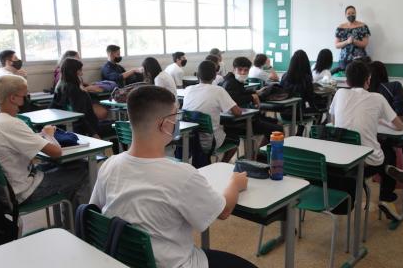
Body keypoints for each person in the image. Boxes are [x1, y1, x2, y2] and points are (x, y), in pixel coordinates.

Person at [89, 85, 256, 268]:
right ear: (164, 124)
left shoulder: (109, 165)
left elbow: (95, 211)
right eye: (175, 117)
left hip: (124, 261)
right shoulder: (182, 175)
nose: (177, 122)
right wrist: (234, 183)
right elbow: (223, 211)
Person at [0, 75, 88, 226]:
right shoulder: (12, 123)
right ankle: (81, 223)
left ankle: (69, 219)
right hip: (25, 191)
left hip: (6, 191)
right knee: (83, 168)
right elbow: (56, 152)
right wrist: (49, 135)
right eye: (25, 96)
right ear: (13, 98)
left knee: (69, 166)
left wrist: (39, 138)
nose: (26, 100)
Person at [330, 61, 403, 221]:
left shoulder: (339, 94)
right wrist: (381, 121)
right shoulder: (377, 98)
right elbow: (400, 126)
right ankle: (386, 197)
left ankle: (387, 170)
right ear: (368, 80)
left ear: (346, 81)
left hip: (342, 157)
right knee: (386, 152)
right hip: (366, 160)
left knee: (378, 153)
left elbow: (333, 123)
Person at [183, 61, 242, 164]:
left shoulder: (188, 89)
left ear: (197, 75)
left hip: (190, 139)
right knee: (235, 139)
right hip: (210, 141)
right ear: (215, 76)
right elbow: (237, 112)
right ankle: (222, 164)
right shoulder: (218, 90)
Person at [221, 57, 283, 150]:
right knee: (278, 130)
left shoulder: (233, 80)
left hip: (244, 119)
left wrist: (255, 93)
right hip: (240, 123)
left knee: (275, 123)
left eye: (246, 70)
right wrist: (251, 97)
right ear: (234, 69)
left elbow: (240, 93)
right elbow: (234, 99)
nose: (243, 72)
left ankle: (261, 152)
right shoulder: (231, 83)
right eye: (240, 69)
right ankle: (265, 154)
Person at [50, 58, 109, 137]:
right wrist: (93, 133)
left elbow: (52, 108)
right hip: (87, 128)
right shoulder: (75, 90)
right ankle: (121, 149)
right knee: (116, 126)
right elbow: (81, 115)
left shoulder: (60, 86)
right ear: (75, 72)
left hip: (70, 127)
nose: (82, 74)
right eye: (80, 70)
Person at [280, 50, 322, 135]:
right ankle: (311, 134)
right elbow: (310, 98)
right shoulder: (306, 78)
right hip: (299, 114)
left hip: (284, 113)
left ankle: (299, 133)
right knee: (319, 112)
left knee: (301, 107)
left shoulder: (284, 76)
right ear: (306, 63)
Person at [334, 5, 371, 72]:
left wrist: (354, 41)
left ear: (356, 13)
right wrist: (347, 42)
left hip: (360, 60)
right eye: (348, 13)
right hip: (344, 60)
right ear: (345, 15)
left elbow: (365, 43)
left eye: (353, 13)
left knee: (360, 79)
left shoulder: (363, 26)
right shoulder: (340, 27)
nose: (351, 15)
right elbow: (336, 45)